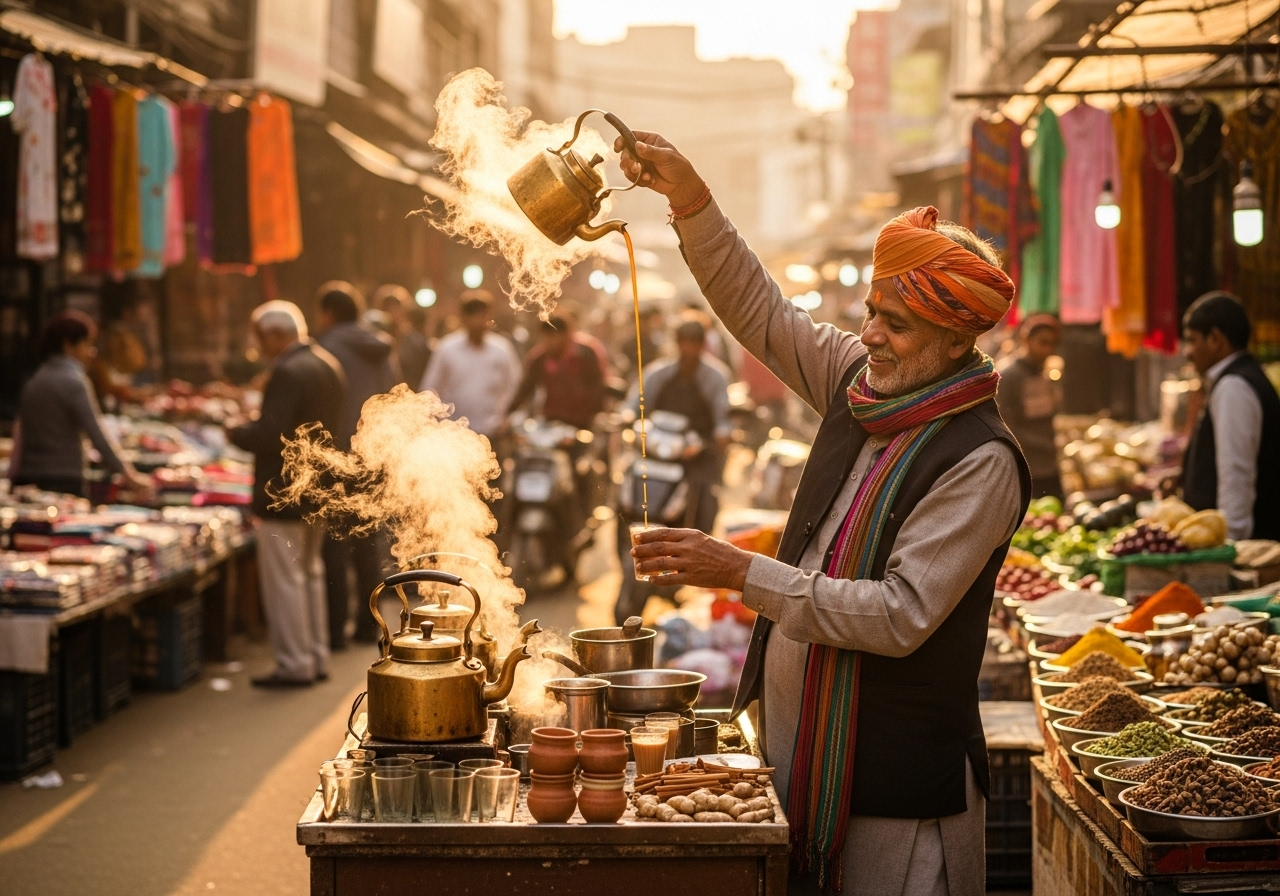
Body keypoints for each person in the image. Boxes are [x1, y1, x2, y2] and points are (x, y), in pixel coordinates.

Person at [619, 132, 1029, 895]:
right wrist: (692, 202)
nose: (870, 333)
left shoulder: (981, 461)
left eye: (895, 324)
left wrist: (742, 572)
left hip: (897, 804)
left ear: (954, 338)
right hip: (799, 764)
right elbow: (762, 312)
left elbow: (898, 616)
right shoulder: (860, 382)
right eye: (871, 312)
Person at [229, 301, 345, 688]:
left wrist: (234, 431)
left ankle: (295, 663)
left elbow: (271, 433)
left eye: (261, 338)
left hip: (285, 493)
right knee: (309, 574)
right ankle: (314, 656)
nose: (260, 347)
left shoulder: (289, 371)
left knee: (286, 580)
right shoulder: (325, 362)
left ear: (277, 335)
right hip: (317, 489)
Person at [314, 282, 396, 648]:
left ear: (328, 313)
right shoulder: (380, 349)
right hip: (373, 454)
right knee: (367, 543)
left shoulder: (327, 348)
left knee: (334, 543)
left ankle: (335, 631)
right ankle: (370, 624)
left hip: (337, 456)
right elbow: (397, 400)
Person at [11, 311, 150, 498]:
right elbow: (96, 433)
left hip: (29, 478)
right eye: (87, 344)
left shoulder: (35, 380)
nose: (91, 352)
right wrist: (128, 474)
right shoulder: (74, 381)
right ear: (69, 345)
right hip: (63, 480)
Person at [1181, 291, 1280, 541]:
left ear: (1215, 339)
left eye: (1192, 340)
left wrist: (1232, 543)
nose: (1187, 352)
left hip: (1251, 540)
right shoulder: (1237, 379)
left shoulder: (1234, 386)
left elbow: (1236, 472)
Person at [629, 317, 733, 534]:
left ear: (702, 345)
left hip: (696, 455)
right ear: (676, 343)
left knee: (705, 502)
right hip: (657, 451)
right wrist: (627, 417)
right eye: (683, 342)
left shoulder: (716, 378)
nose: (688, 348)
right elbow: (634, 405)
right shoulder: (658, 374)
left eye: (693, 343)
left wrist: (721, 435)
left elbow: (723, 418)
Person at [419, 291, 521, 442]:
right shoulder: (447, 349)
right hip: (455, 436)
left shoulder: (502, 349)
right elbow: (430, 390)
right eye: (472, 315)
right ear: (463, 318)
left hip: (493, 434)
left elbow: (516, 387)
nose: (478, 321)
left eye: (482, 315)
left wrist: (509, 421)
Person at [996, 314, 1064, 499]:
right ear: (1026, 339)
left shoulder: (1048, 373)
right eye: (1043, 342)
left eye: (1053, 344)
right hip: (1024, 467)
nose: (1048, 349)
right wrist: (1040, 444)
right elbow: (1003, 425)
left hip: (1050, 466)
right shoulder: (1008, 376)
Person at [507, 313, 611, 431]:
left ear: (566, 335)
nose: (549, 342)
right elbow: (525, 388)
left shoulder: (586, 353)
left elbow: (599, 386)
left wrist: (598, 416)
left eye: (553, 336)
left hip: (583, 425)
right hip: (551, 422)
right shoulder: (539, 358)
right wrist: (508, 414)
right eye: (546, 337)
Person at [375, 283, 432, 389]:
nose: (392, 313)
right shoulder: (372, 341)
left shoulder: (417, 343)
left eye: (396, 308)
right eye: (387, 308)